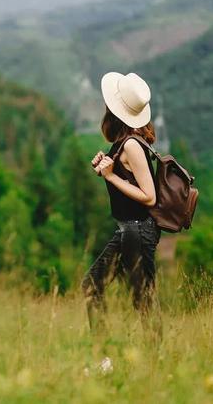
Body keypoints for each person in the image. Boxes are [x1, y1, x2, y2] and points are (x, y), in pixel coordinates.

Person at [81, 72, 162, 339]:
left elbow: (149, 196)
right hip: (130, 231)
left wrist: (112, 176)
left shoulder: (131, 145)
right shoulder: (124, 143)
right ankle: (106, 356)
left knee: (143, 302)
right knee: (96, 285)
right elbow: (126, 179)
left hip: (137, 232)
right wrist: (106, 166)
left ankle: (150, 363)